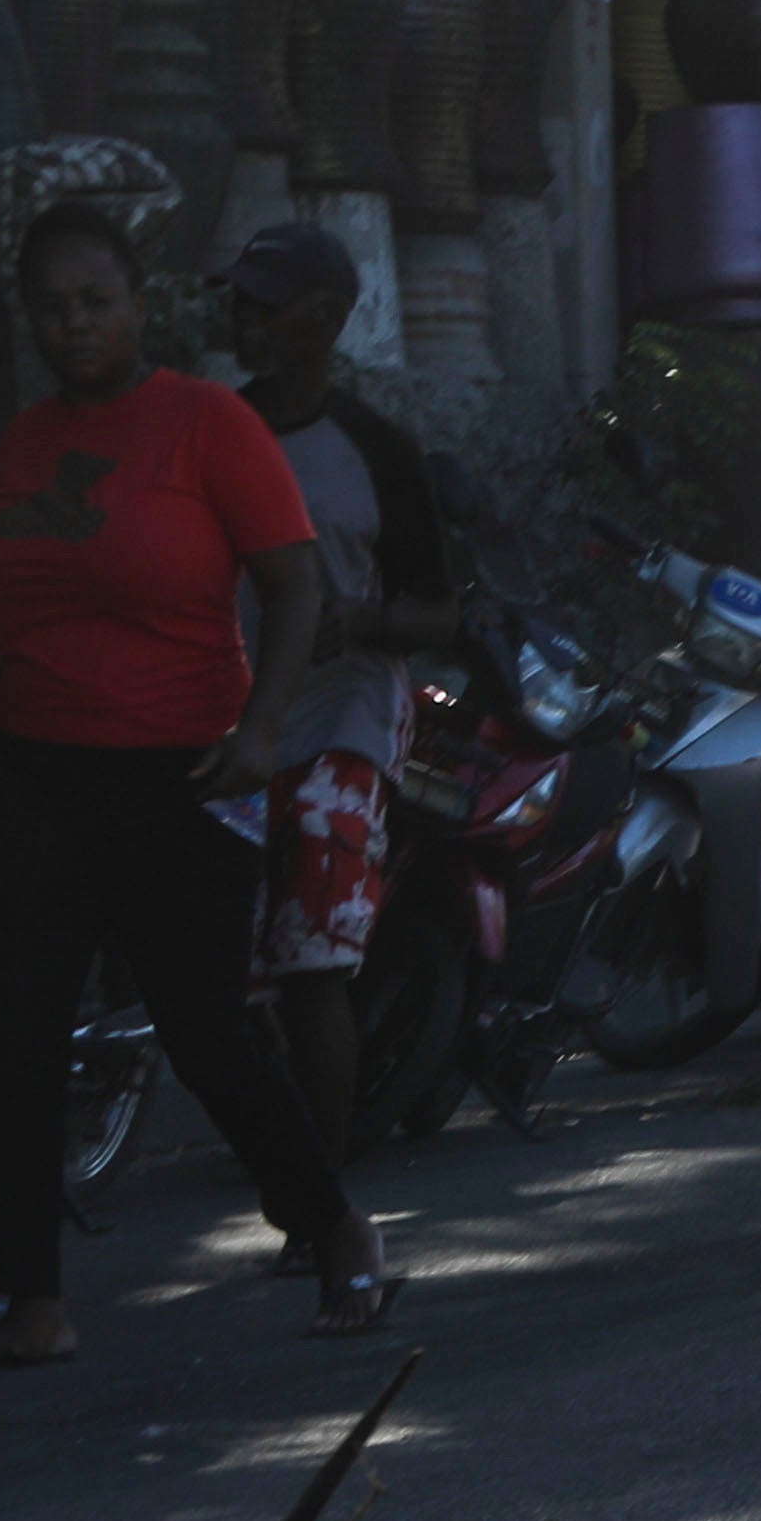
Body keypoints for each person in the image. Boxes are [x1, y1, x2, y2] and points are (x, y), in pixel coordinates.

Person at [0, 194, 384, 1363]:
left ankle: (330, 1225)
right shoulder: (27, 440)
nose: (74, 325)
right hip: (36, 770)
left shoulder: (204, 426)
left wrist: (263, 726)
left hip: (182, 769)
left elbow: (293, 586)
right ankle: (32, 1303)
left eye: (96, 301)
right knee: (18, 1039)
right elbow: (18, 600)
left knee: (206, 1035)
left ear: (140, 305)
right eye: (52, 307)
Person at [215, 223, 458, 1171]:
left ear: (327, 319)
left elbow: (439, 608)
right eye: (238, 300)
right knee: (233, 970)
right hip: (229, 723)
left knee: (314, 963)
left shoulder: (376, 449)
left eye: (265, 304)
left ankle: (317, 1194)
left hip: (340, 718)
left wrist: (356, 622)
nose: (243, 318)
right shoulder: (215, 431)